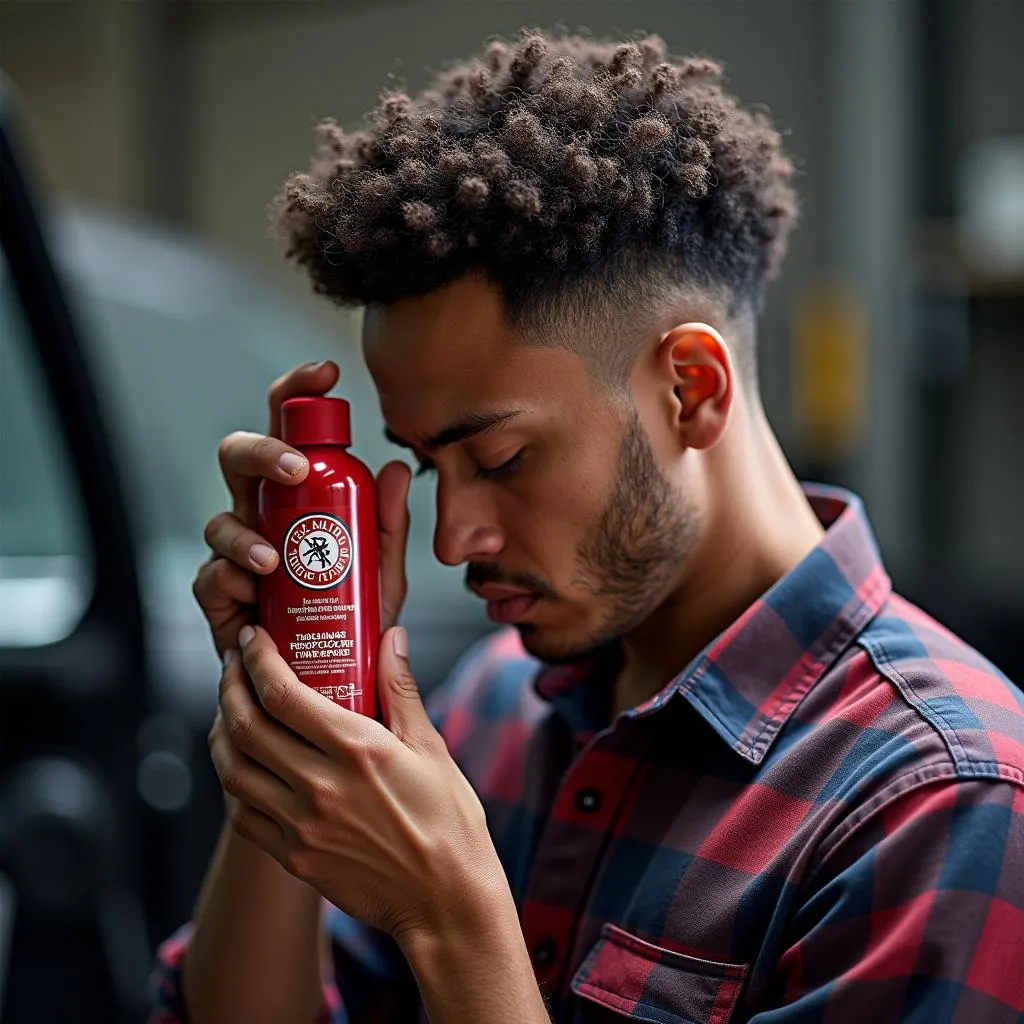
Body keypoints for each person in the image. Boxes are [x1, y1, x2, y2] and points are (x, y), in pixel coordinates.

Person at [149, 31, 1024, 1024]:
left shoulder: (938, 805)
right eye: (429, 464)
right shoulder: (497, 705)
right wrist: (305, 711)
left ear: (690, 389)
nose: (452, 540)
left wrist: (454, 920)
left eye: (503, 460)